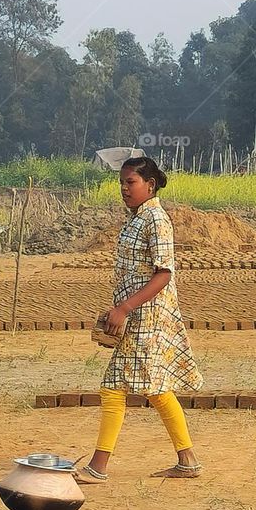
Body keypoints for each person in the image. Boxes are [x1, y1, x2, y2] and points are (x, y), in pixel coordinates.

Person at [75, 157, 203, 484]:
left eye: (130, 182)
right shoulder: (136, 218)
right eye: (121, 182)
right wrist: (119, 308)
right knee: (155, 388)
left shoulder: (156, 220)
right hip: (136, 313)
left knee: (114, 387)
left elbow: (163, 274)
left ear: (150, 184)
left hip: (148, 314)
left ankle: (98, 467)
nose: (124, 188)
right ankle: (187, 460)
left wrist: (125, 308)